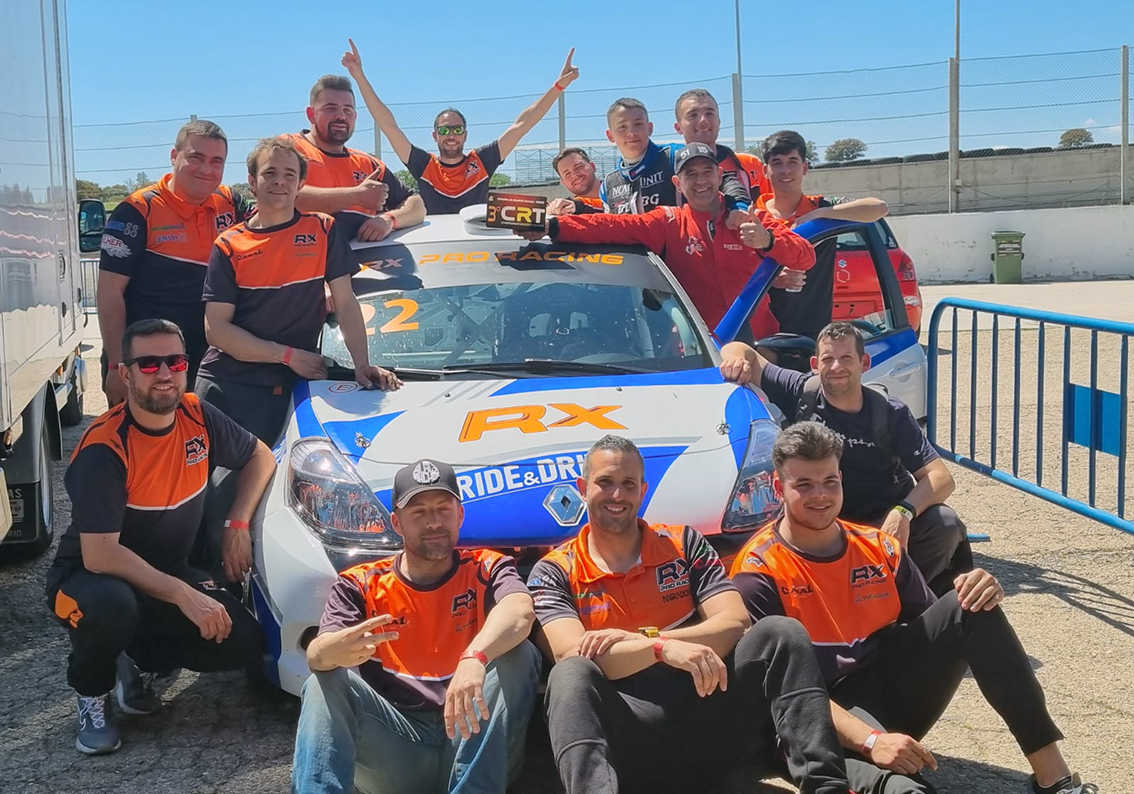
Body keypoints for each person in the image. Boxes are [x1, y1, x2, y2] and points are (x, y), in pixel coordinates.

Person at [730, 422, 1098, 794]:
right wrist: (872, 740)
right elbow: (784, 694)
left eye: (829, 482)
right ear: (778, 487)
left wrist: (980, 590)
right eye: (804, 485)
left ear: (841, 479)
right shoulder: (758, 569)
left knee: (970, 606)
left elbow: (938, 630)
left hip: (884, 694)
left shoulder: (878, 547)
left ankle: (1056, 781)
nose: (820, 495)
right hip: (813, 720)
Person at [529, 435, 850, 794]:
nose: (617, 495)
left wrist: (653, 641)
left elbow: (734, 622)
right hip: (626, 746)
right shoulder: (554, 570)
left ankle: (827, 786)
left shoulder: (683, 543)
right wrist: (660, 650)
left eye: (629, 484)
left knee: (781, 633)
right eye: (605, 482)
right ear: (582, 488)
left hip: (710, 721)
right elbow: (570, 653)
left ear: (643, 491)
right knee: (570, 674)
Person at [44, 318, 276, 756]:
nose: (165, 373)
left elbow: (260, 455)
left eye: (175, 361)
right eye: (149, 364)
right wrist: (185, 596)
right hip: (87, 580)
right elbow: (99, 555)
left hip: (163, 573)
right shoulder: (103, 448)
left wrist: (238, 522)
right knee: (112, 608)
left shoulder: (196, 413)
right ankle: (92, 693)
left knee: (241, 640)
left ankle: (135, 661)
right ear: (124, 373)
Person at [291, 458, 541, 794]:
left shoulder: (487, 566)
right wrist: (330, 651)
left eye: (443, 509)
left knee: (520, 654)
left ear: (460, 515)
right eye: (419, 512)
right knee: (324, 682)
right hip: (398, 749)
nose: (433, 522)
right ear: (396, 522)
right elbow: (318, 656)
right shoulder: (360, 584)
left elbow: (521, 610)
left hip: (474, 742)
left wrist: (474, 657)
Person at [719, 322, 970, 593]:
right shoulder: (802, 391)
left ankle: (901, 597)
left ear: (864, 362)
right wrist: (735, 360)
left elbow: (941, 478)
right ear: (815, 364)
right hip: (826, 519)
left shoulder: (890, 412)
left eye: (846, 358)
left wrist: (903, 514)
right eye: (828, 359)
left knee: (945, 524)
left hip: (883, 521)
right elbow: (741, 349)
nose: (836, 367)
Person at [195, 136, 401, 445]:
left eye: (289, 174)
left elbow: (345, 302)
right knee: (223, 478)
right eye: (269, 173)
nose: (280, 181)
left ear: (301, 183)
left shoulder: (323, 229)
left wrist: (362, 365)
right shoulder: (228, 244)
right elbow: (217, 330)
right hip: (229, 385)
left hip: (295, 387)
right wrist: (288, 356)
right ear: (252, 182)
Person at [526, 142, 816, 340]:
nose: (700, 181)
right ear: (677, 182)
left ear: (719, 176)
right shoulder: (668, 222)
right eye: (691, 174)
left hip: (760, 348)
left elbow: (806, 255)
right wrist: (553, 225)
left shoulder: (752, 218)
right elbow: (612, 226)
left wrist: (768, 240)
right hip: (700, 352)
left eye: (707, 172)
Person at [97, 120, 254, 402]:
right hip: (148, 363)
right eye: (196, 157)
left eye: (217, 161)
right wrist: (116, 365)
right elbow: (109, 293)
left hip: (210, 362)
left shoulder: (231, 202)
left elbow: (277, 224)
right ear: (173, 156)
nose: (206, 169)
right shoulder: (137, 210)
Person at [342, 39, 579, 215]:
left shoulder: (482, 161)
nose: (451, 135)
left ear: (465, 135)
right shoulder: (424, 165)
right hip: (433, 249)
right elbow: (388, 125)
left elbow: (523, 124)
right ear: (434, 136)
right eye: (444, 130)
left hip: (477, 245)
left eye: (457, 130)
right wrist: (359, 76)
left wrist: (558, 86)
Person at [757, 130, 889, 342]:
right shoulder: (754, 215)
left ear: (805, 167)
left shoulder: (822, 207)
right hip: (763, 338)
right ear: (765, 170)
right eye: (777, 163)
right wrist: (772, 279)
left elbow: (879, 208)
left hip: (815, 338)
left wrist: (820, 215)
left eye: (792, 161)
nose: (785, 170)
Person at [285, 74, 425, 243]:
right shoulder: (287, 148)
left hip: (357, 260)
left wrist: (388, 219)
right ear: (311, 114)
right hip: (291, 258)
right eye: (331, 108)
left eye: (348, 110)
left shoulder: (369, 164)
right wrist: (355, 196)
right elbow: (282, 196)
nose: (341, 116)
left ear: (355, 116)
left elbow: (417, 205)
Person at [601, 97, 751, 217]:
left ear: (650, 128)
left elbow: (724, 179)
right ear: (610, 135)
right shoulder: (609, 183)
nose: (631, 133)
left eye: (638, 124)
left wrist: (738, 208)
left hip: (688, 244)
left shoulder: (675, 155)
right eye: (622, 127)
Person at [673, 88, 771, 200]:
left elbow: (771, 205)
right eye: (693, 115)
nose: (703, 120)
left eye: (709, 113)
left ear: (719, 121)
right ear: (678, 128)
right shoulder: (671, 170)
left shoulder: (749, 164)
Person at [547, 147, 605, 215]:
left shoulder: (616, 190)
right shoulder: (568, 213)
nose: (575, 175)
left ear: (592, 166)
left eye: (578, 167)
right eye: (567, 174)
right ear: (563, 183)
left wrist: (578, 206)